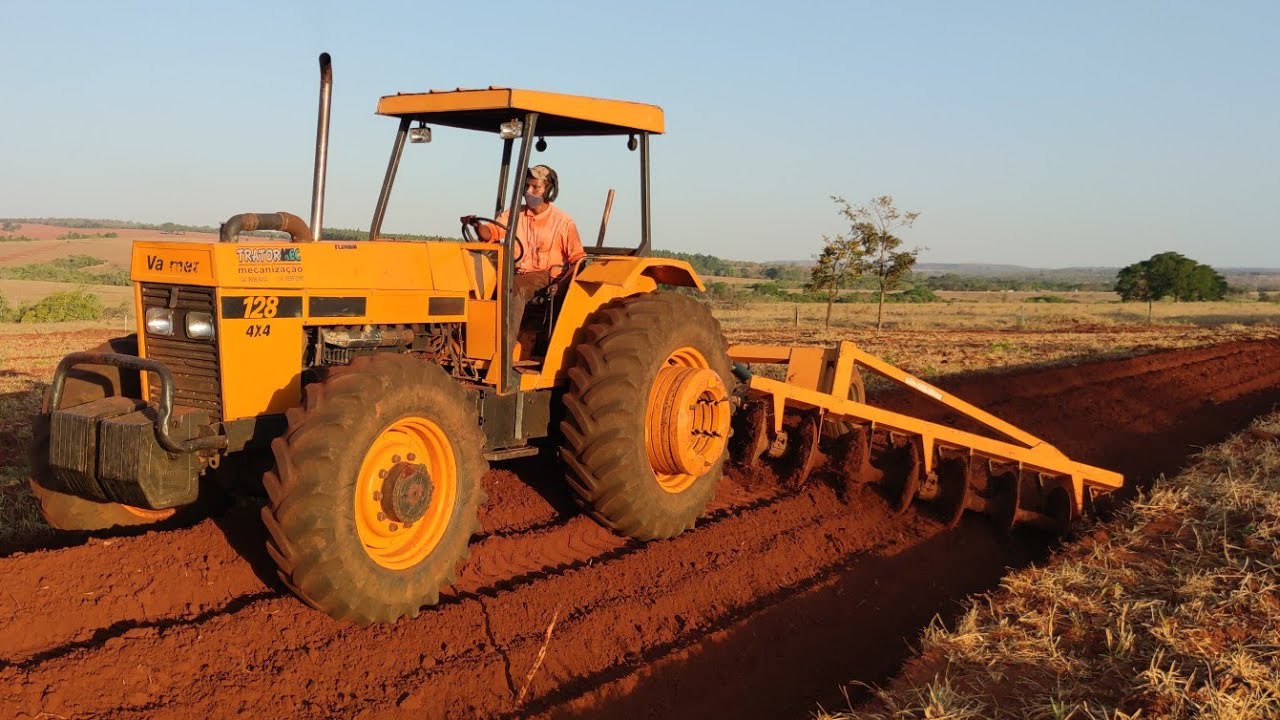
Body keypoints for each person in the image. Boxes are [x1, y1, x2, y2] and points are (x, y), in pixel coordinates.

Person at [463, 165, 586, 354]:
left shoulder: (563, 223)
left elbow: (579, 260)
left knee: (515, 287)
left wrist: (559, 285)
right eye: (527, 186)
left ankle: (503, 353)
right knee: (481, 286)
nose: (529, 192)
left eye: (535, 187)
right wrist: (478, 226)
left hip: (547, 276)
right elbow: (492, 232)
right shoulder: (515, 214)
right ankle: (469, 344)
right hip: (517, 272)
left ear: (549, 191)